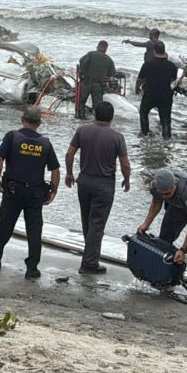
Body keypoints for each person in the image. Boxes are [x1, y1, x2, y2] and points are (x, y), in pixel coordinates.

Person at [0, 107, 60, 280]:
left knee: (5, 224)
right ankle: (32, 268)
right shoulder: (45, 143)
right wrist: (53, 190)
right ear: (39, 123)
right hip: (35, 193)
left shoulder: (12, 137)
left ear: (21, 119)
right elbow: (55, 169)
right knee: (34, 230)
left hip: (13, 190)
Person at [65, 99, 130, 274]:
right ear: (112, 118)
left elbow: (70, 153)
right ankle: (89, 263)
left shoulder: (82, 130)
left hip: (84, 180)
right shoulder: (117, 137)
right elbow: (125, 164)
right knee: (97, 224)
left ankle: (89, 257)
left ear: (95, 114)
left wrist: (69, 173)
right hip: (104, 184)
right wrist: (127, 179)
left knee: (87, 221)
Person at [136, 168, 187, 305]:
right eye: (162, 194)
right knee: (164, 240)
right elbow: (156, 203)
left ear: (174, 185)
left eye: (168, 193)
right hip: (177, 205)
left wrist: (183, 249)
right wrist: (146, 224)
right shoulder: (156, 187)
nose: (165, 196)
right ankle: (166, 279)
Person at [135, 42, 181, 137]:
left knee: (143, 113)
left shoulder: (147, 64)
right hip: (165, 95)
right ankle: (166, 139)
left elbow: (140, 79)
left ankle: (145, 133)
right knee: (165, 119)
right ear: (164, 50)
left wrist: (137, 89)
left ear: (154, 51)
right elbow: (173, 80)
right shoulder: (171, 66)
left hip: (149, 94)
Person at [75, 40, 115, 120]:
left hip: (86, 82)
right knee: (97, 106)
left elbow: (81, 61)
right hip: (98, 85)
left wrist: (82, 73)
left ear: (98, 46)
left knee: (81, 102)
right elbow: (112, 73)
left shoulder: (91, 54)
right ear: (106, 49)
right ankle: (97, 122)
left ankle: (81, 119)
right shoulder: (109, 60)